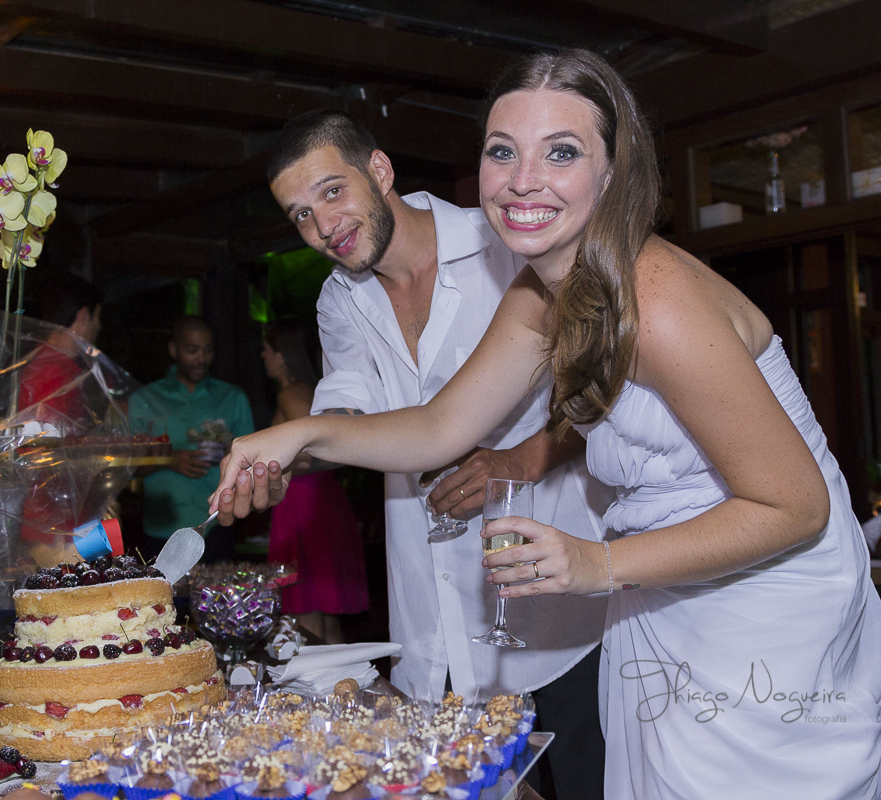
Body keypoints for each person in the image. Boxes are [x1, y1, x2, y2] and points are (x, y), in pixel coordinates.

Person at [215, 50, 881, 799]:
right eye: (502, 151)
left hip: (762, 606)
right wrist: (299, 435)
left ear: (612, 174)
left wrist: (597, 565)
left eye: (563, 152)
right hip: (661, 593)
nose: (522, 179)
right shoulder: (540, 293)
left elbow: (795, 507)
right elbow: (443, 427)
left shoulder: (656, 303)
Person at [239, 110, 610, 799]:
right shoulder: (338, 301)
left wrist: (523, 458)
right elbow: (343, 415)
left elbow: (604, 391)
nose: (322, 228)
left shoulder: (506, 243)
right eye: (299, 216)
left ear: (379, 171)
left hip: (556, 621)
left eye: (331, 193)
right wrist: (286, 458)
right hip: (433, 633)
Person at [261, 317, 369, 644]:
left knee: (304, 618)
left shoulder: (291, 394)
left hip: (302, 505)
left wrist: (270, 465)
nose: (262, 357)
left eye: (265, 351)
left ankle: (318, 693)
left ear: (281, 356)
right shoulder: (307, 389)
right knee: (325, 616)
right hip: (321, 502)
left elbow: (324, 454)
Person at [129, 315, 254, 563]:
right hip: (162, 528)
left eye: (208, 350)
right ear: (173, 350)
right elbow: (128, 466)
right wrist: (170, 459)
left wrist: (233, 453)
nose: (201, 359)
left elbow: (252, 464)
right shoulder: (145, 398)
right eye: (192, 350)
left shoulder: (232, 398)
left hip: (217, 526)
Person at [18, 271, 103, 430]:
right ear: (83, 316)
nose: (99, 325)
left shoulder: (50, 364)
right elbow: (46, 444)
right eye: (97, 316)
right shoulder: (52, 372)